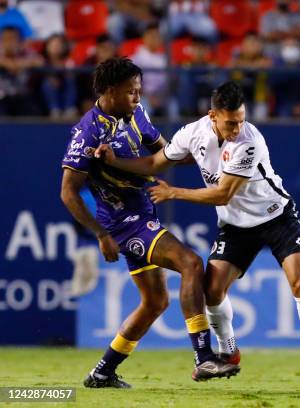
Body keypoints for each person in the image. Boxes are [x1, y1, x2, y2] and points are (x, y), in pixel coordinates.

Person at [94, 81, 300, 396]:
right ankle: (228, 350)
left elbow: (222, 194)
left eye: (241, 119)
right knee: (212, 291)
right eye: (230, 122)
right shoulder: (192, 133)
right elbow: (154, 162)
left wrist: (173, 192)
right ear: (212, 116)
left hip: (276, 216)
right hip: (235, 226)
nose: (237, 128)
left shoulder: (250, 141)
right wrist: (114, 162)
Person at [60, 57, 239, 389]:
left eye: (138, 91)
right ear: (110, 91)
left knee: (156, 301)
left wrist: (208, 145)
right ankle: (204, 359)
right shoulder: (87, 132)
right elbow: (68, 192)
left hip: (144, 213)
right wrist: (100, 234)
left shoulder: (136, 114)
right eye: (131, 92)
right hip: (123, 223)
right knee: (190, 263)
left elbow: (165, 156)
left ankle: (102, 372)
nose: (137, 98)